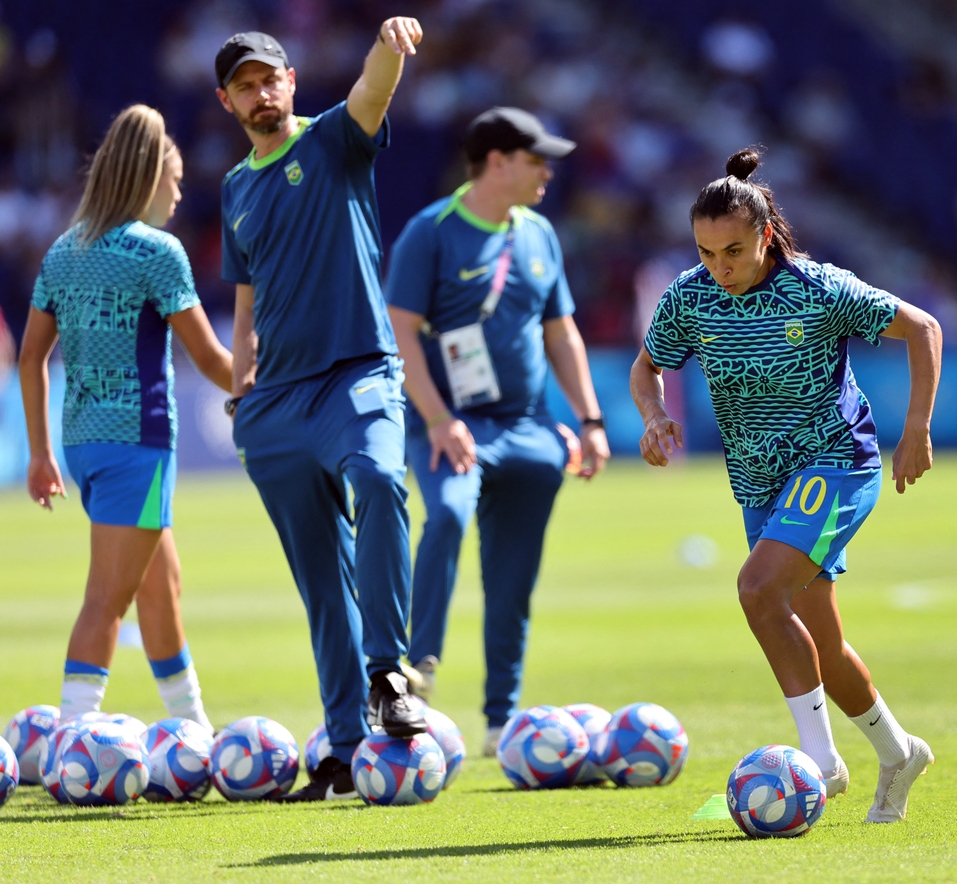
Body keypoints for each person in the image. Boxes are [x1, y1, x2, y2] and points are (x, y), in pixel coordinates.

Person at [630, 149, 943, 823]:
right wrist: (655, 415)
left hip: (835, 460)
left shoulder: (818, 289)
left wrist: (915, 429)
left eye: (734, 251)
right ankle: (898, 752)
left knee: (756, 588)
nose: (721, 267)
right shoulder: (690, 297)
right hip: (760, 482)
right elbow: (647, 366)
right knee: (816, 638)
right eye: (708, 253)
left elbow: (923, 327)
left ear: (766, 235)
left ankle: (820, 764)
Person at [215, 20, 426, 801]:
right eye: (246, 84)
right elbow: (246, 298)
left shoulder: (332, 140)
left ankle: (389, 674)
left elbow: (374, 92)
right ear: (227, 99)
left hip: (357, 372)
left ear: (292, 81)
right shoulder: (237, 186)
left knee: (378, 477)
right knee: (320, 582)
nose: (262, 93)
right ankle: (341, 753)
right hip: (274, 405)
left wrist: (388, 44)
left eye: (271, 79)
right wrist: (241, 388)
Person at [386, 107, 610, 756]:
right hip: (450, 426)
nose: (548, 171)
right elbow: (400, 335)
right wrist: (436, 418)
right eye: (536, 159)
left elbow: (560, 332)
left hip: (527, 428)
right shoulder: (429, 234)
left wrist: (589, 420)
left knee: (513, 581)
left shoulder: (540, 234)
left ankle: (498, 723)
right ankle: (415, 673)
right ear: (497, 162)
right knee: (449, 517)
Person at [18, 105, 231, 732]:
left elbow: (30, 359)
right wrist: (275, 379)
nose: (179, 191)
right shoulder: (158, 252)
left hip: (84, 446)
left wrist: (40, 453)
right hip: (137, 444)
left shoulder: (64, 250)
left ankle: (194, 731)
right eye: (176, 178)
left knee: (161, 594)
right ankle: (73, 739)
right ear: (150, 176)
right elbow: (211, 360)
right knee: (107, 601)